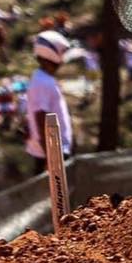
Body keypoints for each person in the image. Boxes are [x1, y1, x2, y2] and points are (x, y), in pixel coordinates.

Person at [25, 30, 74, 175]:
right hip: (52, 153)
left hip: (53, 151)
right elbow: (41, 118)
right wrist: (51, 158)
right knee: (55, 190)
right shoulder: (43, 82)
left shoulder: (42, 79)